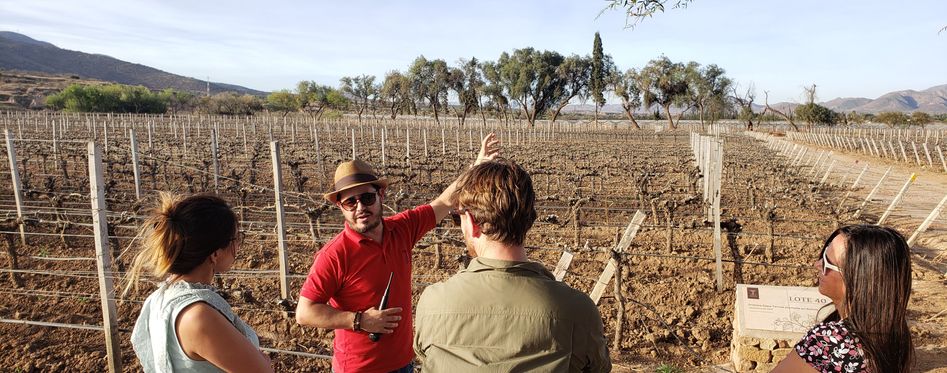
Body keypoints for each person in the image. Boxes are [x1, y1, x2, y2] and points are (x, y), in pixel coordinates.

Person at [295, 134, 499, 373]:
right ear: (340, 206)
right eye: (351, 202)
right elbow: (304, 312)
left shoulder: (402, 229)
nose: (361, 208)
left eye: (367, 198)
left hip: (404, 363)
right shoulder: (334, 255)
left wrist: (477, 167)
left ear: (381, 196)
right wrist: (360, 320)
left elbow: (444, 202)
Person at [414, 158, 612, 372]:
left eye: (457, 218)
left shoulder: (432, 302)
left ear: (472, 223)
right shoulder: (578, 310)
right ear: (529, 221)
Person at [126, 193, 272, 373]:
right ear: (215, 254)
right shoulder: (199, 316)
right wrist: (264, 361)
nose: (239, 246)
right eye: (236, 238)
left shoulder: (159, 298)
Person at [773, 224, 914, 373]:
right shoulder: (894, 333)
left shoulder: (828, 341)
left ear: (857, 279)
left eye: (827, 263)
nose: (817, 264)